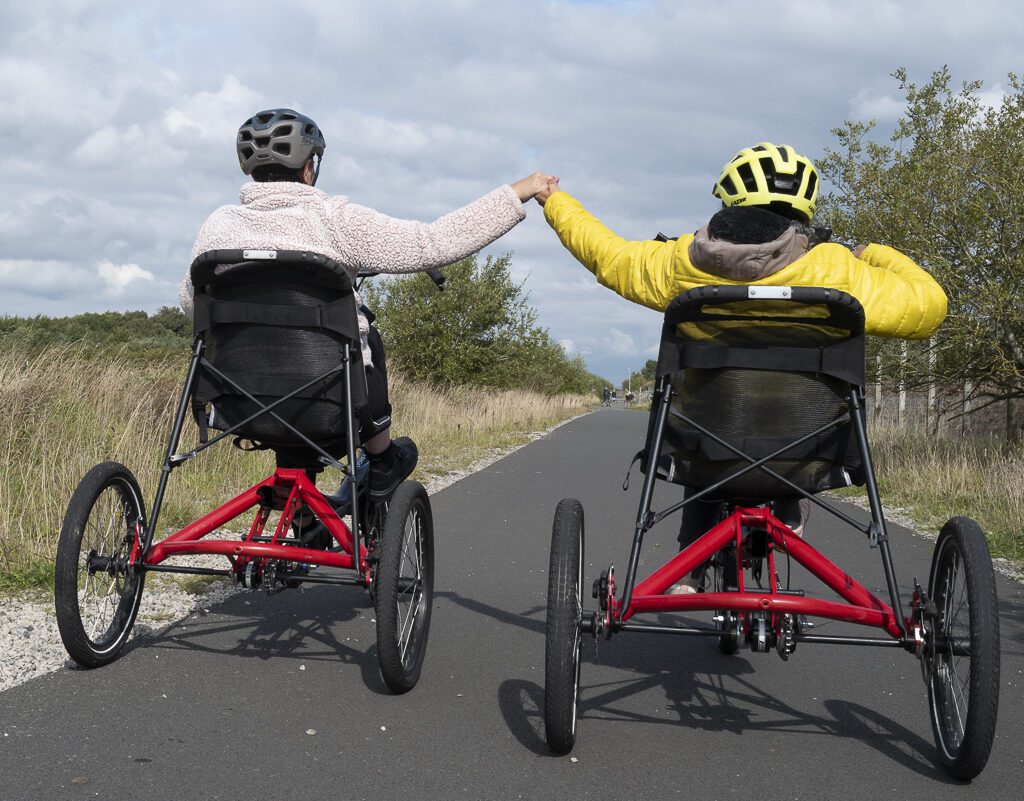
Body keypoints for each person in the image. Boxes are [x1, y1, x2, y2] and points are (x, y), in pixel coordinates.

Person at [534, 141, 947, 592]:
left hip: (706, 444)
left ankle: (689, 565)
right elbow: (929, 306)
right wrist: (874, 253)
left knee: (705, 425)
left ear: (731, 200)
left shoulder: (680, 261)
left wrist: (555, 201)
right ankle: (787, 513)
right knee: (782, 419)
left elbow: (606, 254)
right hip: (807, 450)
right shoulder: (838, 269)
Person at [180, 108, 554, 499]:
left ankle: (306, 510)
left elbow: (193, 307)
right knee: (367, 337)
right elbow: (432, 243)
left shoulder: (217, 226)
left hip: (237, 404)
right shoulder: (335, 220)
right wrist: (519, 191)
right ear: (309, 168)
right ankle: (380, 460)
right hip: (329, 406)